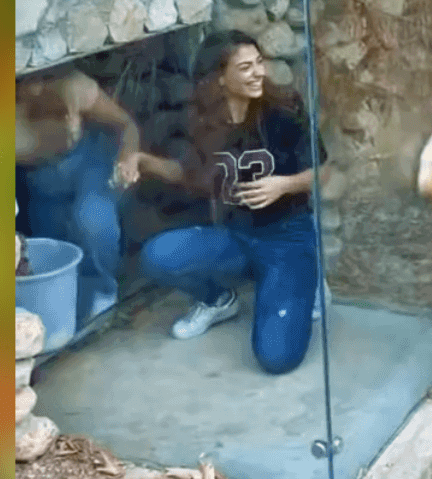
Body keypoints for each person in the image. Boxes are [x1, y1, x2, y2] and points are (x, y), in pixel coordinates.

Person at [134, 30, 329, 375]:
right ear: (220, 79)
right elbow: (190, 174)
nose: (258, 73)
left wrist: (284, 185)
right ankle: (218, 301)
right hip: (235, 235)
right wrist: (143, 161)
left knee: (276, 358)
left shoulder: (284, 110)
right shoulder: (204, 121)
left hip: (287, 236)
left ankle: (305, 281)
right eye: (245, 67)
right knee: (157, 256)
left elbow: (323, 171)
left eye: (259, 63)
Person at [16, 66, 142, 324]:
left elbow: (126, 125)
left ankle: (105, 295)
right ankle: (70, 307)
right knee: (51, 248)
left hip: (91, 162)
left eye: (41, 79)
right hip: (39, 181)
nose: (35, 87)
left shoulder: (74, 86)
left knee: (92, 220)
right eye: (25, 82)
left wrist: (128, 157)